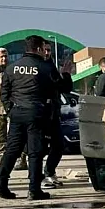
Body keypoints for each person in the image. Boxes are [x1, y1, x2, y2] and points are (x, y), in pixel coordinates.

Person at [0, 35, 69, 200]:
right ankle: (34, 189)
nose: (45, 52)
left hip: (17, 113)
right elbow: (61, 88)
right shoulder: (45, 68)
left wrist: (10, 109)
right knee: (35, 152)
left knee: (12, 151)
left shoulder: (12, 68)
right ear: (39, 49)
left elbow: (4, 93)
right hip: (36, 113)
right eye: (44, 48)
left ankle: (1, 185)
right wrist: (66, 75)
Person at [0, 48, 27, 170]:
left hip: (12, 110)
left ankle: (21, 160)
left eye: (5, 56)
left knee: (16, 137)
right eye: (1, 57)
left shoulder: (15, 71)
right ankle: (3, 160)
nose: (3, 59)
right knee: (0, 138)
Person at [41, 41, 69, 189]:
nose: (47, 53)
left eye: (49, 50)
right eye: (45, 50)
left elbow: (64, 87)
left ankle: (50, 172)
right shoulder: (37, 67)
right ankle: (38, 178)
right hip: (40, 114)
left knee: (58, 145)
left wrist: (65, 74)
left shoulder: (52, 66)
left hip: (53, 113)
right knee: (39, 148)